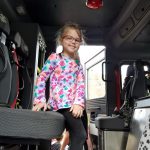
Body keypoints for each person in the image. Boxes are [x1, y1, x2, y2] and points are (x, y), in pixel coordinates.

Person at [32, 22, 87, 150]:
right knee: (45, 135)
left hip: (70, 106)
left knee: (80, 135)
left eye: (77, 40)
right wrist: (40, 100)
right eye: (69, 38)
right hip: (54, 104)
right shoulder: (54, 58)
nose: (73, 42)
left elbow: (81, 84)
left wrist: (79, 103)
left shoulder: (78, 64)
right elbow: (42, 78)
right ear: (61, 40)